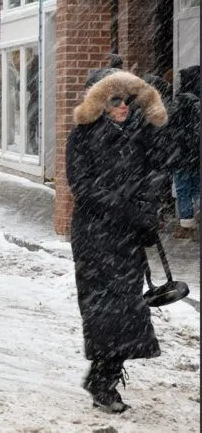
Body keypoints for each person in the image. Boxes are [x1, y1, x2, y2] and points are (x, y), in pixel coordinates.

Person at [66, 69, 169, 413]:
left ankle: (103, 378)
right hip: (94, 237)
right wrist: (127, 208)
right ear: (100, 102)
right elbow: (82, 186)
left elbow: (157, 173)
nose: (123, 106)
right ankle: (104, 382)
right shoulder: (82, 135)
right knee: (101, 312)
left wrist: (147, 210)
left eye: (127, 99)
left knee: (127, 310)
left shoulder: (142, 133)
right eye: (114, 99)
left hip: (127, 238)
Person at [168, 66, 199, 240]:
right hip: (195, 154)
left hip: (180, 155)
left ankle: (186, 225)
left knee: (182, 190)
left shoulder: (180, 102)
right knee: (196, 188)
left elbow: (171, 128)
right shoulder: (197, 102)